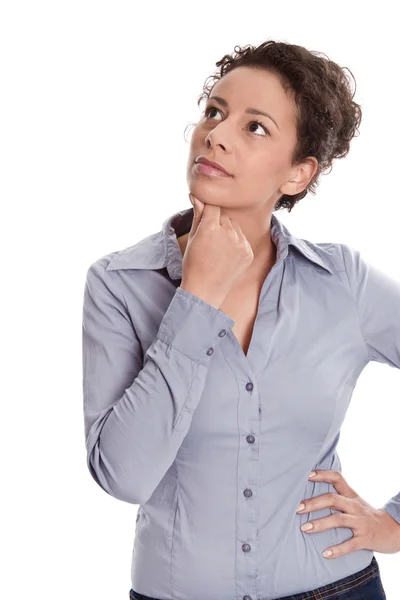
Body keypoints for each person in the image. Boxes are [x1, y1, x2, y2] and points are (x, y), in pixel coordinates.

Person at [82, 40, 395, 599]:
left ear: (298, 174)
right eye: (214, 112)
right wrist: (197, 298)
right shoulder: (119, 283)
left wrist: (396, 524)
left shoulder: (342, 283)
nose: (216, 135)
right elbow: (123, 476)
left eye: (256, 127)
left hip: (335, 588)